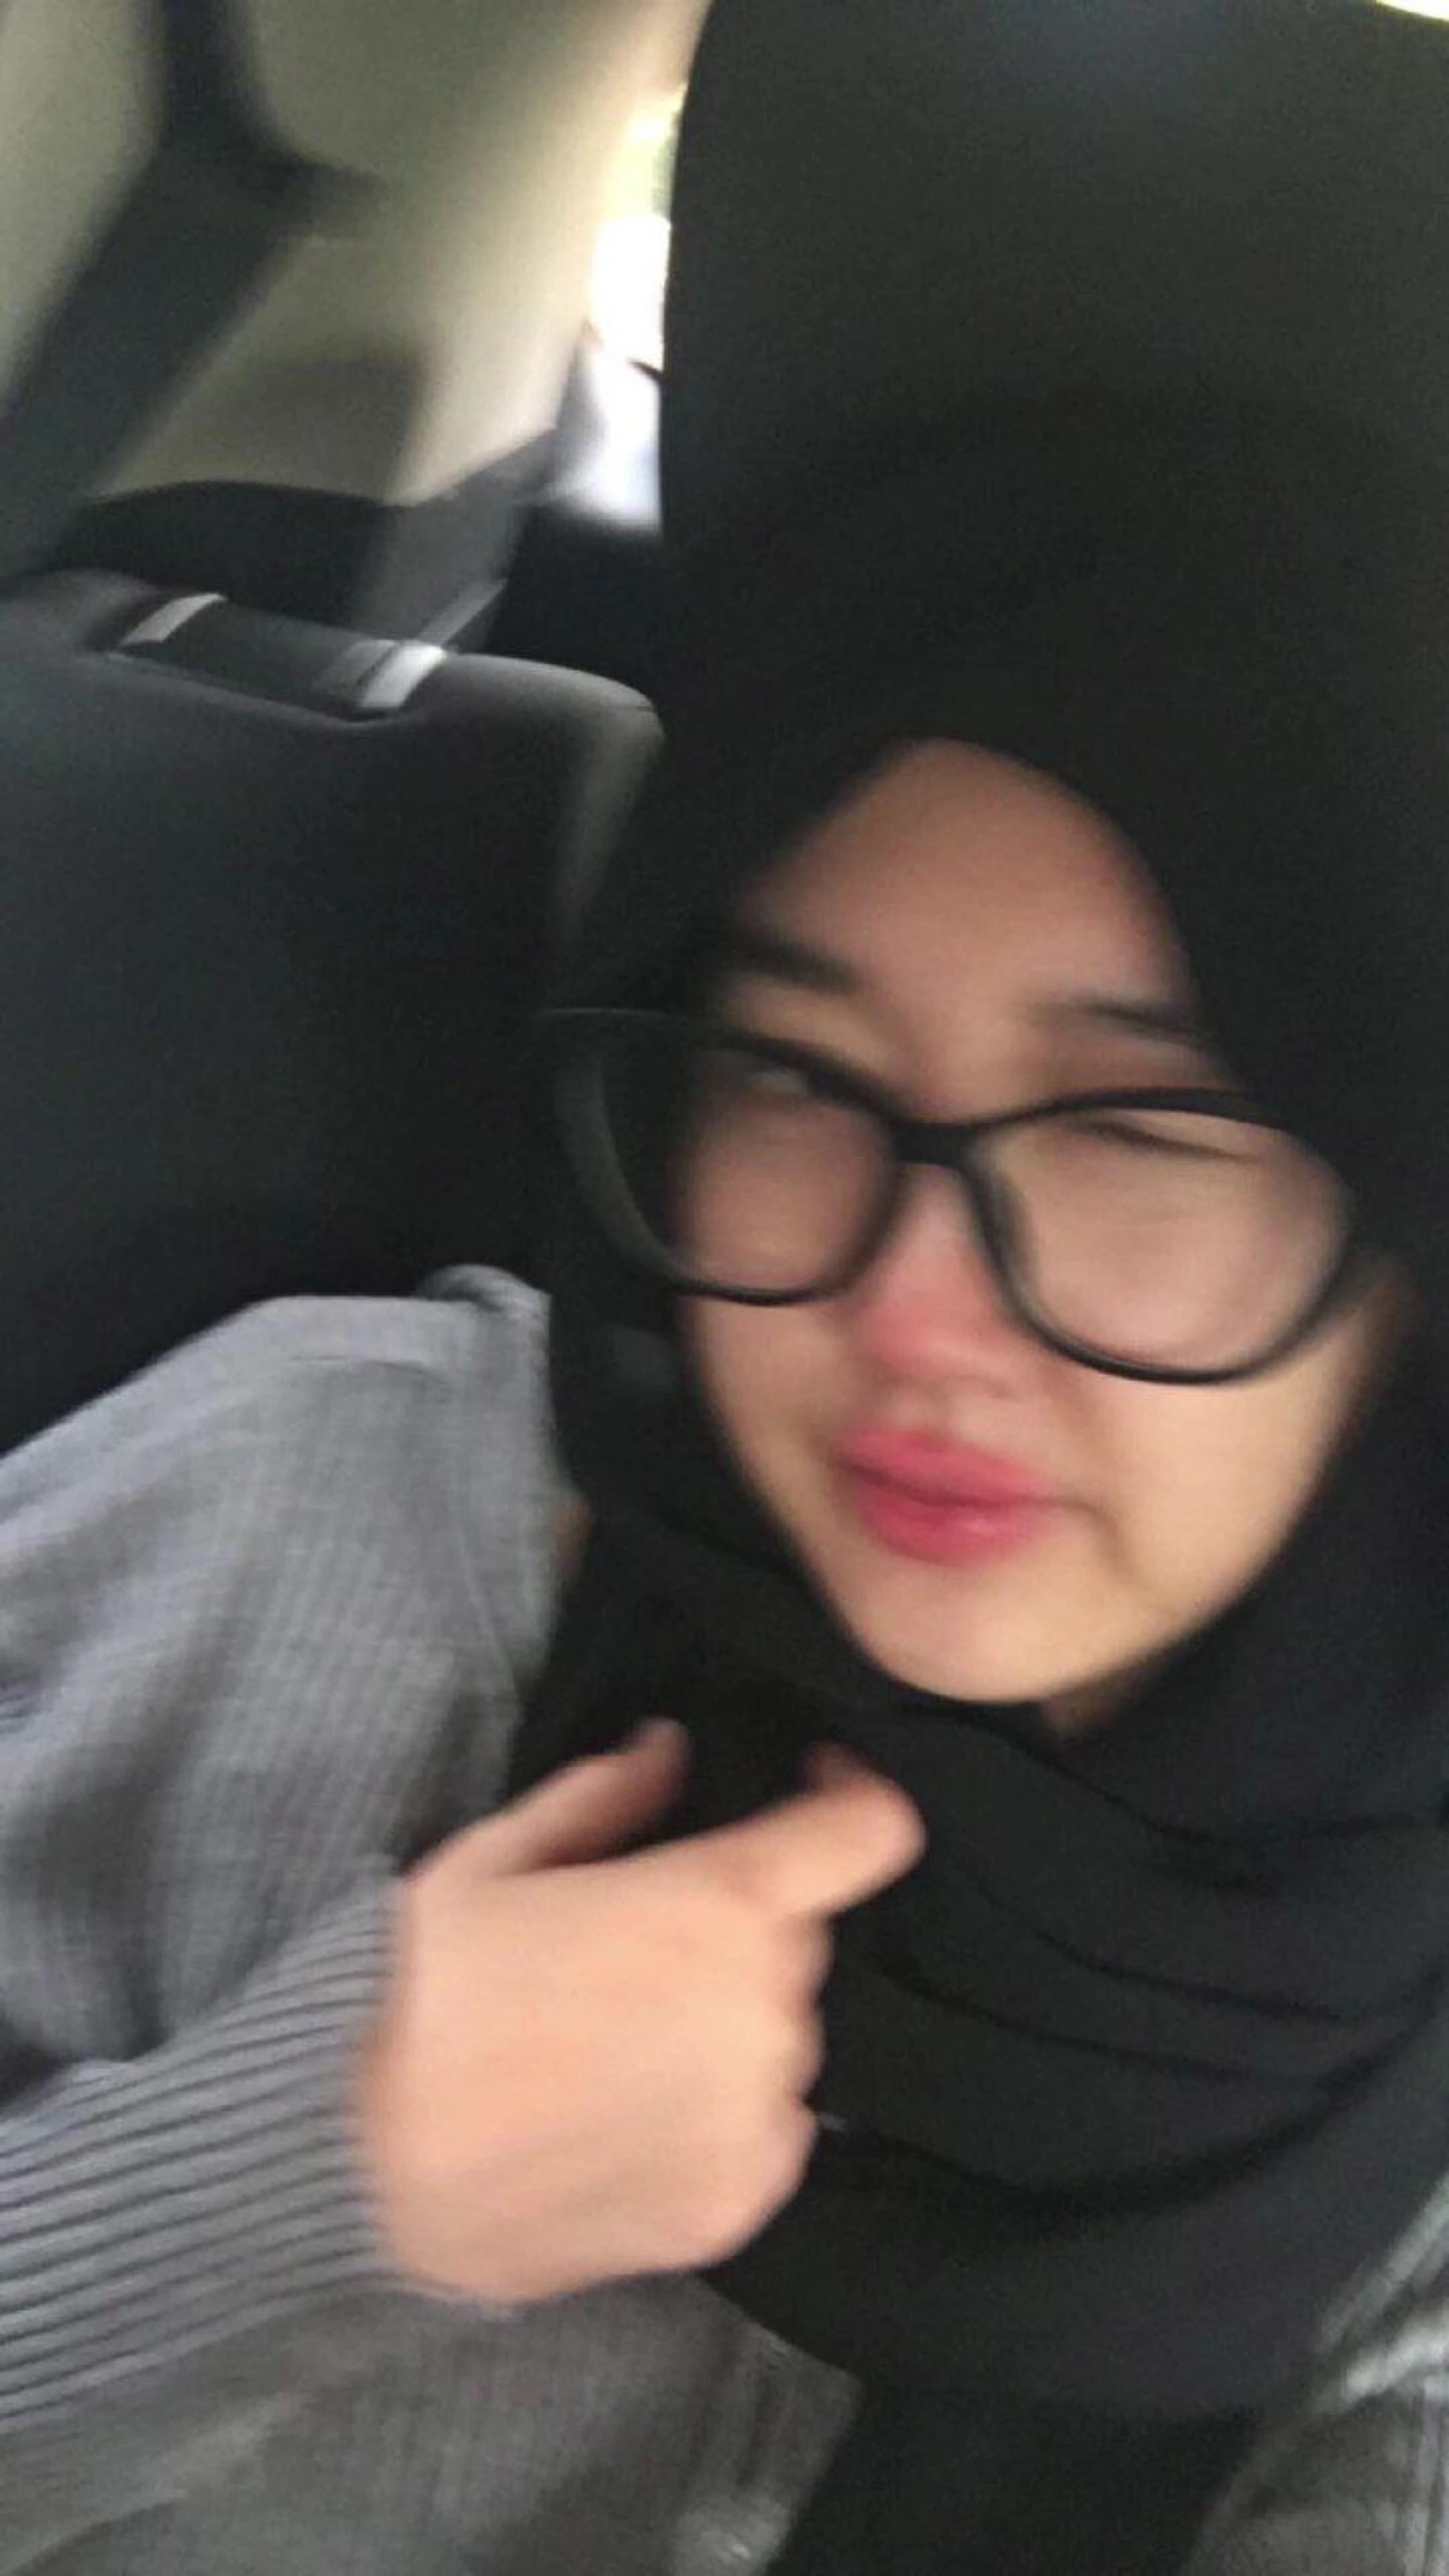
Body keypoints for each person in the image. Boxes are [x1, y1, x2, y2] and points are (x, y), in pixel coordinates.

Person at [3, 392, 1448, 2575]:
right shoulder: (310, 1520)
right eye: (786, 1075)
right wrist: (301, 2179)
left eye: (1141, 1127)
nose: (912, 1314)